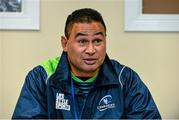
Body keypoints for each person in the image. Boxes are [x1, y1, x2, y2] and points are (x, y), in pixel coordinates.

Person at [12, 8, 161, 119]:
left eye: (97, 41)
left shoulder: (125, 79)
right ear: (65, 44)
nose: (91, 50)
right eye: (82, 41)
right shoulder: (41, 78)